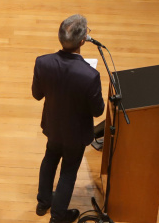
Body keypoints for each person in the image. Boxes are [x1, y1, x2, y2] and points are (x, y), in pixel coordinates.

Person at [32, 14, 104, 223]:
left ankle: (43, 202)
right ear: (82, 42)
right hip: (76, 133)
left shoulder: (42, 62)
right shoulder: (89, 75)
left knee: (50, 158)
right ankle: (58, 216)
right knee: (69, 170)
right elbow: (97, 110)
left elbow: (37, 94)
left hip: (53, 125)